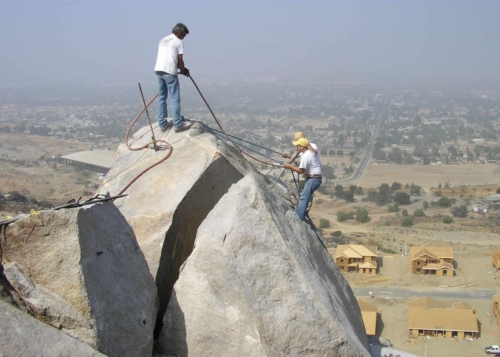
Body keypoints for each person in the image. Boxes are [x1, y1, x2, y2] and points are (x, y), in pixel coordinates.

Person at [154, 23, 193, 133]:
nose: (184, 37)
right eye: (184, 35)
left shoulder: (163, 40)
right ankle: (177, 124)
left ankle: (162, 124)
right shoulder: (178, 42)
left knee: (162, 98)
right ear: (180, 32)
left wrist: (181, 68)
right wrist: (183, 69)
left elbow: (167, 56)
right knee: (175, 98)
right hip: (170, 72)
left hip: (158, 70)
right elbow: (179, 60)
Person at [284, 137, 322, 221]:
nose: (296, 147)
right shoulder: (308, 153)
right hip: (314, 178)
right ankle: (301, 213)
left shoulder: (306, 155)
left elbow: (301, 171)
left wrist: (290, 166)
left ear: (302, 146)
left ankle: (298, 217)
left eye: (297, 145)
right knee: (305, 196)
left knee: (304, 197)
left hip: (313, 178)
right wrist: (288, 158)